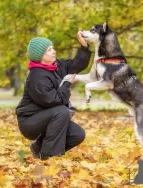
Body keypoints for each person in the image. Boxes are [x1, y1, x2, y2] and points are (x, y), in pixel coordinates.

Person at [15, 30, 91, 160]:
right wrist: (67, 83)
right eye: (49, 50)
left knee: (77, 134)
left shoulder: (56, 66)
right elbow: (55, 100)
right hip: (29, 122)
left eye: (52, 48)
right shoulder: (36, 77)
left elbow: (76, 65)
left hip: (47, 116)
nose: (53, 51)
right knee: (61, 111)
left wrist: (84, 47)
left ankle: (39, 148)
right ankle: (50, 158)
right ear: (40, 56)